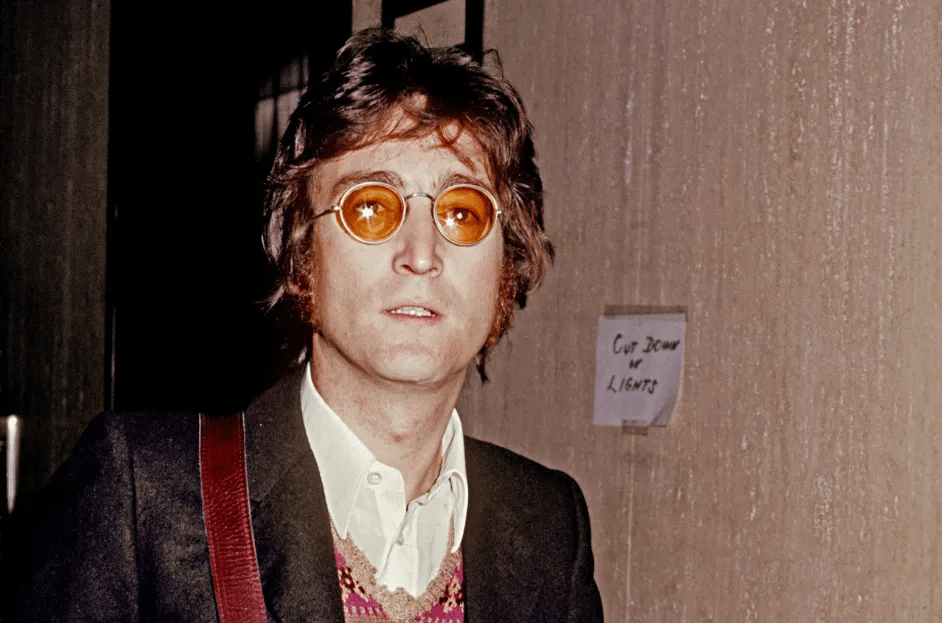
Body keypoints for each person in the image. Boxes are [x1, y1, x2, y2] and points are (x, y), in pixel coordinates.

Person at [11, 29, 603, 622]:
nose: (421, 254)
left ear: (506, 268)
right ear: (302, 259)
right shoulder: (141, 496)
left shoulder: (549, 527)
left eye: (463, 212)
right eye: (371, 207)